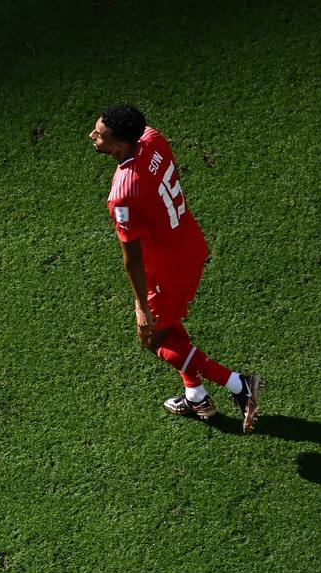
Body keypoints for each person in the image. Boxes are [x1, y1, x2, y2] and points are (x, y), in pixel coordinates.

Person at [90, 105, 261, 431]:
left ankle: (240, 385)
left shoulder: (122, 194)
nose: (92, 135)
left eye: (101, 134)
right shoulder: (152, 138)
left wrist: (141, 304)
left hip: (167, 269)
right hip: (189, 242)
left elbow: (133, 259)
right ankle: (196, 396)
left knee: (152, 337)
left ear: (119, 146)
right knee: (167, 325)